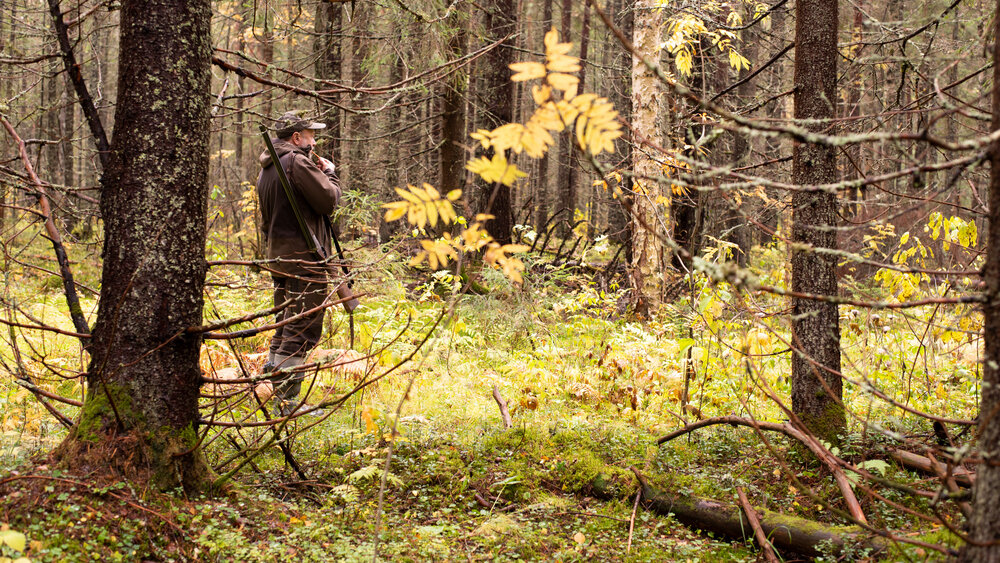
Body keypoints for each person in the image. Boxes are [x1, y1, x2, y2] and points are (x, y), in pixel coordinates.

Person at [256, 111, 341, 416]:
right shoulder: (296, 161)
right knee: (303, 327)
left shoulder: (269, 167)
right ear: (296, 138)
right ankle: (287, 403)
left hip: (280, 257)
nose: (314, 140)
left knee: (285, 326)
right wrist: (329, 174)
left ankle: (274, 384)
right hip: (305, 258)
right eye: (310, 134)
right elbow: (328, 200)